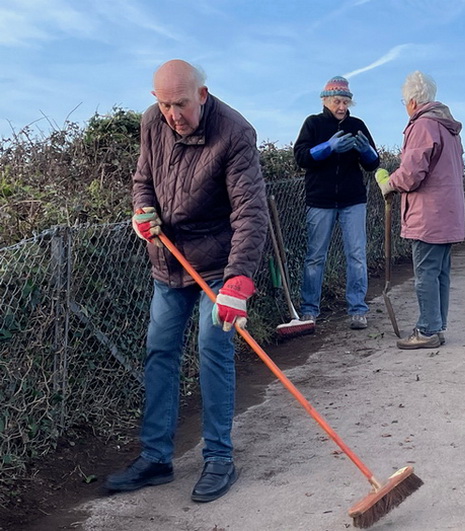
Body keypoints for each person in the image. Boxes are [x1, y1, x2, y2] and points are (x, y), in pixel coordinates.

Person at [106, 59, 268, 503]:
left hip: (217, 265)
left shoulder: (235, 133)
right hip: (169, 262)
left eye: (180, 104)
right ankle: (156, 458)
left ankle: (219, 457)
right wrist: (142, 212)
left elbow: (251, 213)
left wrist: (238, 283)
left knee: (212, 346)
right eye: (164, 105)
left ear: (202, 95)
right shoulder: (151, 122)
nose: (173, 115)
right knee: (160, 350)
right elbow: (143, 179)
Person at [374, 71, 465, 350]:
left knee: (426, 273)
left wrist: (389, 183)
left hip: (429, 214)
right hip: (448, 213)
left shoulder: (423, 125)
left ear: (412, 101)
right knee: (440, 273)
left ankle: (427, 329)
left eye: (405, 102)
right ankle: (436, 327)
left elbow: (412, 173)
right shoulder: (447, 128)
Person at [293, 76, 380, 330]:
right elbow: (301, 157)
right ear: (325, 100)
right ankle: (309, 310)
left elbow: (373, 164)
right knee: (315, 257)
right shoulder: (313, 123)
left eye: (345, 102)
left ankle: (358, 309)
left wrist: (367, 151)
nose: (341, 107)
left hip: (353, 200)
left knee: (356, 255)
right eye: (336, 101)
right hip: (320, 200)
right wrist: (327, 147)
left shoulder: (357, 125)